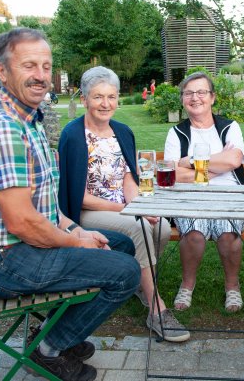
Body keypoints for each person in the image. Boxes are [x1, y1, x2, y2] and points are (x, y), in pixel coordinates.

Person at [0, 28, 141, 381]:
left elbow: (45, 206)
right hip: (3, 260)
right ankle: (49, 348)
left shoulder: (29, 121)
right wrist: (77, 242)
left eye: (46, 66)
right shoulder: (3, 128)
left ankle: (61, 334)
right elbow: (23, 223)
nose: (41, 75)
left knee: (121, 244)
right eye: (29, 65)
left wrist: (76, 228)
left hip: (18, 248)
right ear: (2, 71)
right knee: (125, 273)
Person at [58, 66, 189, 343]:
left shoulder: (122, 132)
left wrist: (137, 204)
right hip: (88, 211)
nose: (105, 104)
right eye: (97, 97)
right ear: (84, 99)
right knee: (138, 229)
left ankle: (137, 283)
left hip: (123, 208)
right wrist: (129, 211)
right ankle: (156, 307)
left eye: (111, 97)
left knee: (162, 229)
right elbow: (78, 196)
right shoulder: (72, 135)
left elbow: (129, 177)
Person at [164, 72, 244, 313]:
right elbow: (172, 175)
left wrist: (188, 160)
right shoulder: (176, 133)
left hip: (229, 195)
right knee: (194, 233)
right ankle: (187, 285)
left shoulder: (229, 127)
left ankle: (232, 287)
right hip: (188, 196)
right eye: (188, 93)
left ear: (212, 98)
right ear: (182, 99)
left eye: (201, 92)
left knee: (227, 232)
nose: (195, 97)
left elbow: (233, 160)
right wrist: (214, 168)